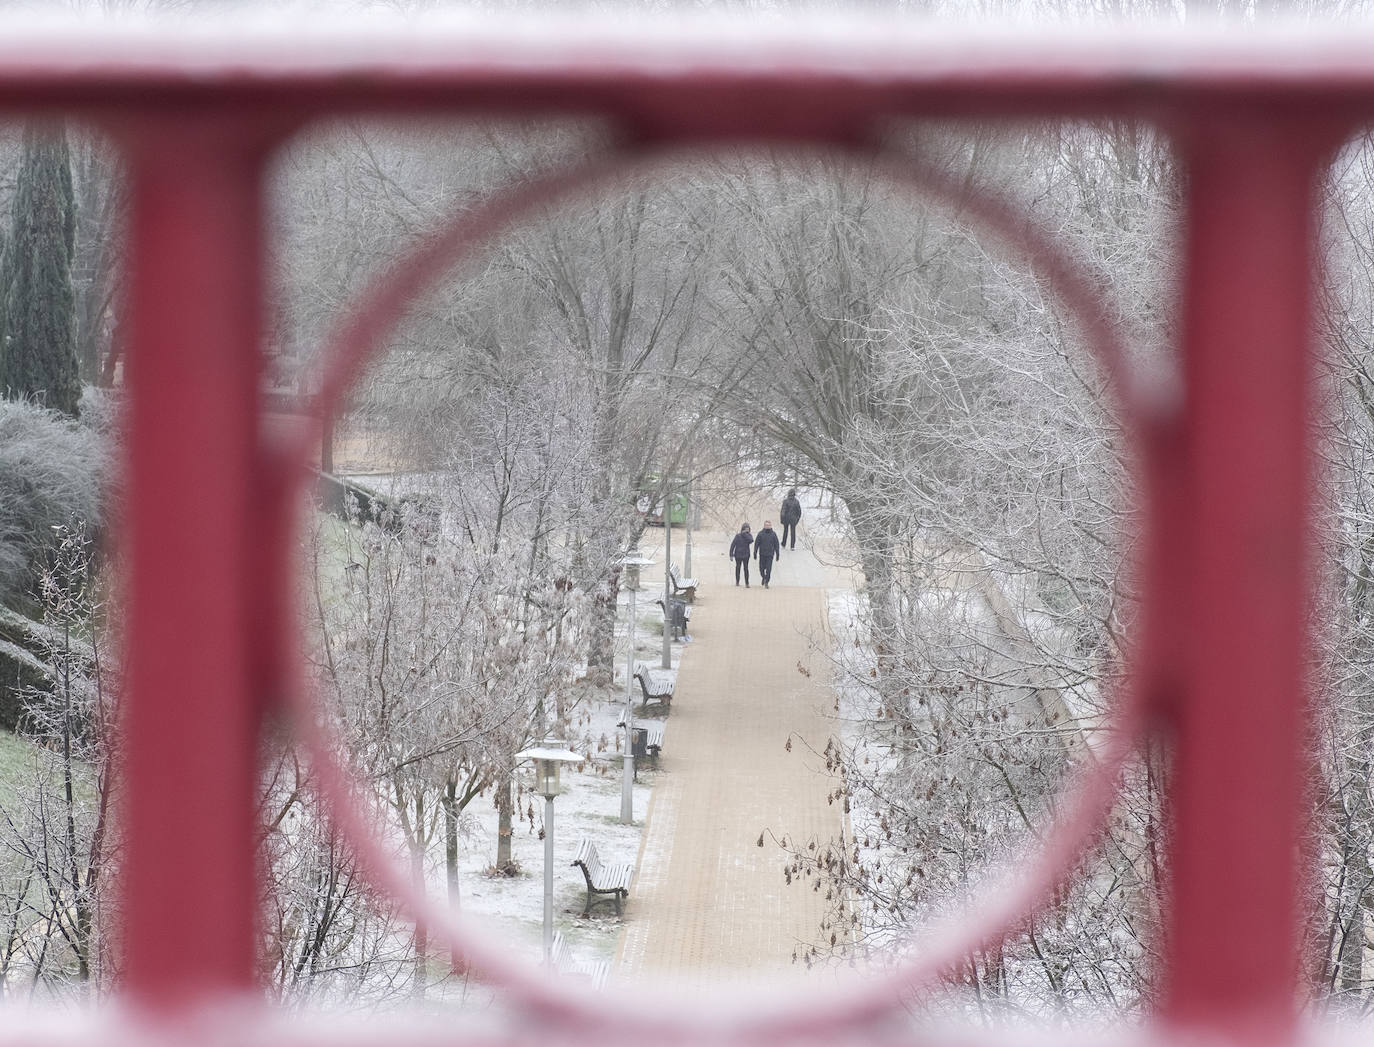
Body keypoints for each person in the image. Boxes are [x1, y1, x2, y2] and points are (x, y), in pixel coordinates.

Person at [754, 520, 781, 588]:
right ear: (764, 526)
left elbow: (776, 545)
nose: (767, 526)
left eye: (769, 525)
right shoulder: (760, 534)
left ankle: (766, 582)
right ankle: (764, 577)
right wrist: (755, 552)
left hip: (770, 555)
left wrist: (777, 554)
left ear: (771, 526)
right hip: (762, 554)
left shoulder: (773, 534)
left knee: (768, 569)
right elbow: (756, 544)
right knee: (761, 569)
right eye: (766, 525)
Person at [729, 522, 754, 587]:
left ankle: (747, 583)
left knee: (746, 569)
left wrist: (745, 534)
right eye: (745, 529)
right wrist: (731, 554)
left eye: (748, 529)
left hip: (746, 555)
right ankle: (737, 581)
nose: (747, 530)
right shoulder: (738, 536)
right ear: (742, 529)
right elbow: (733, 545)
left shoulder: (749, 536)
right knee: (738, 568)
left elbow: (751, 540)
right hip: (738, 555)